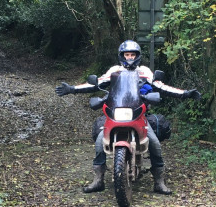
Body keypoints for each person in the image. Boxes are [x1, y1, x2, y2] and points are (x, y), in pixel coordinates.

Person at [55, 40, 201, 195]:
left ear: (137, 56)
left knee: (154, 143)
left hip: (138, 113)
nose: (130, 57)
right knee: (100, 141)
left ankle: (159, 181)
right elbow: (97, 84)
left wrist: (185, 93)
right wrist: (72, 89)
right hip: (116, 112)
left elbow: (161, 86)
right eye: (127, 54)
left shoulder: (144, 71)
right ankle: (98, 179)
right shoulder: (114, 70)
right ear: (122, 55)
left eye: (132, 54)